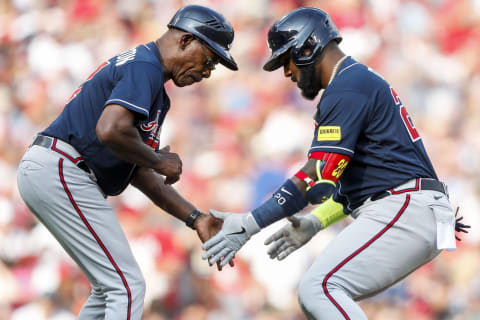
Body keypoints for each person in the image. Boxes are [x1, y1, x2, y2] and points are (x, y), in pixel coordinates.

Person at [202, 7, 469, 319]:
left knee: (319, 289)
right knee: (326, 289)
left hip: (405, 207)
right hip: (409, 207)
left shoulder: (348, 86)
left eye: (286, 60)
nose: (287, 73)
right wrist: (316, 222)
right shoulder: (354, 81)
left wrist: (251, 222)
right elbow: (358, 183)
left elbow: (317, 176)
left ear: (306, 48)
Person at [16, 5, 237, 320]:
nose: (208, 71)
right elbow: (110, 130)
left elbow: (140, 172)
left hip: (58, 169)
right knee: (127, 286)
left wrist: (195, 218)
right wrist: (160, 160)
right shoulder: (145, 67)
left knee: (109, 291)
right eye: (210, 59)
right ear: (187, 40)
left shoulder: (154, 86)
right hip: (61, 168)